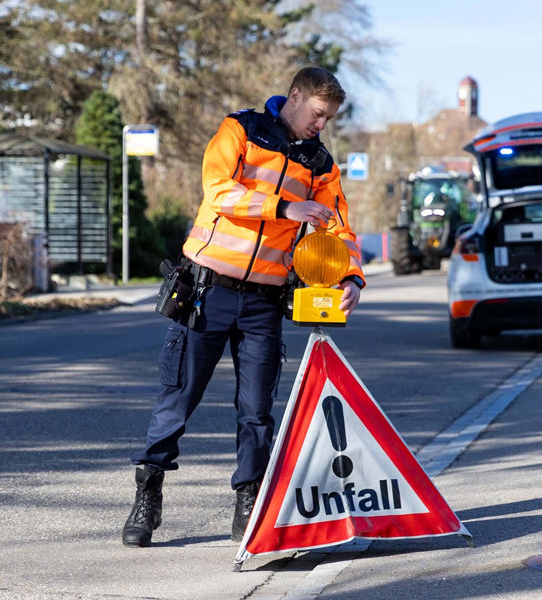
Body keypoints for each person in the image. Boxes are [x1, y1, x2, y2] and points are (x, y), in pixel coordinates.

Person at [121, 66, 366, 548]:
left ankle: (249, 501)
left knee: (257, 412)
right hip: (206, 292)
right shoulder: (241, 130)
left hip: (263, 303)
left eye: (330, 119)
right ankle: (147, 495)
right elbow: (218, 191)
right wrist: (284, 207)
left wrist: (352, 275)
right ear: (294, 97)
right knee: (179, 399)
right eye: (319, 114)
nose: (322, 125)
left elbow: (338, 226)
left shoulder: (319, 163)